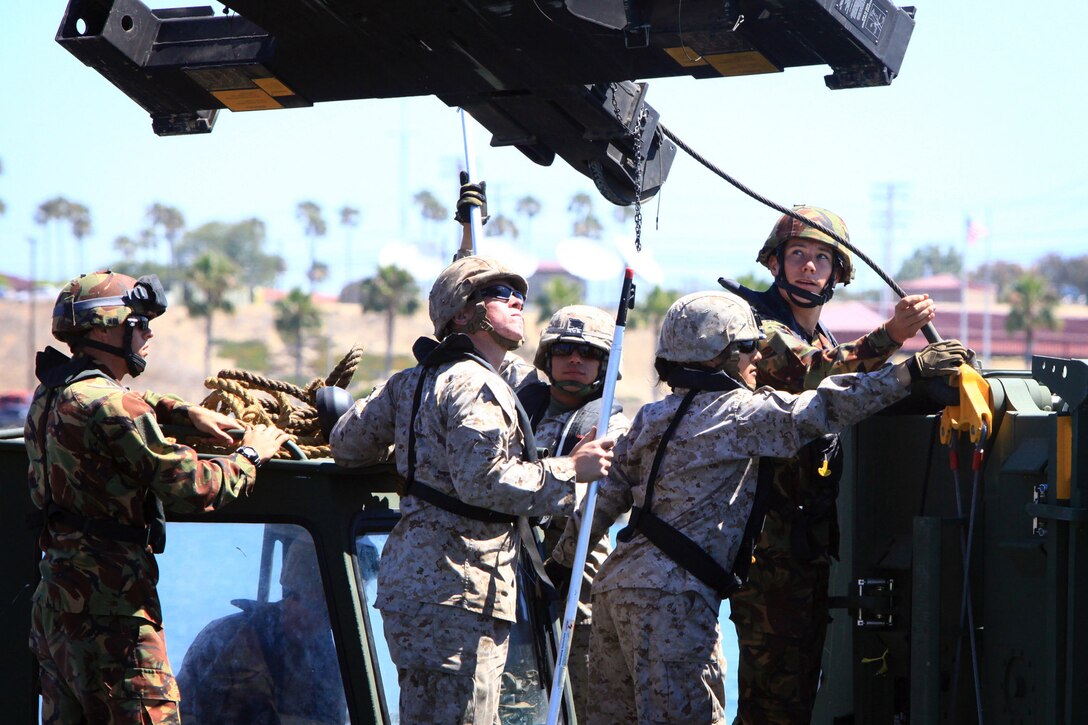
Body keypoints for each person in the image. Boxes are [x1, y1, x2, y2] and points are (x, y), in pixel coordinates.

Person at [549, 290, 968, 724]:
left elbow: (605, 497)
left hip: (615, 587)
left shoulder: (651, 416)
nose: (757, 358)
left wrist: (559, 567)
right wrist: (908, 373)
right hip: (675, 601)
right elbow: (825, 407)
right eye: (750, 347)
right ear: (722, 355)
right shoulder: (741, 414)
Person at [328, 256, 614, 724]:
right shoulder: (477, 385)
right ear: (464, 315)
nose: (517, 300)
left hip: (413, 583)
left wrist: (417, 458)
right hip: (461, 587)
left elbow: (346, 443)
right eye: (500, 294)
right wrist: (571, 469)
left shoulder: (411, 380)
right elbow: (486, 480)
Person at [25, 270, 289, 724]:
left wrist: (184, 412)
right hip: (115, 612)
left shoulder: (51, 396)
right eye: (140, 323)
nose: (148, 335)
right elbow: (195, 487)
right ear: (105, 328)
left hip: (57, 609)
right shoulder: (114, 407)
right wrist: (252, 454)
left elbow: (126, 402)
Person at [726, 206, 937, 725]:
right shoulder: (758, 332)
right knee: (772, 700)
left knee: (797, 693)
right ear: (774, 264)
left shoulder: (823, 340)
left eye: (822, 258)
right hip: (765, 547)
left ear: (837, 274)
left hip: (802, 546)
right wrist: (894, 337)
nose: (809, 267)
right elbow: (812, 375)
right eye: (797, 254)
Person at [516, 305, 630, 722]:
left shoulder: (610, 428)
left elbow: (592, 506)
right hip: (509, 571)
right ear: (548, 358)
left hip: (573, 574)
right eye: (564, 350)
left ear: (604, 364)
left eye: (588, 354)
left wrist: (559, 565)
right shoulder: (518, 405)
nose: (575, 360)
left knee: (579, 695)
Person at [177, 533, 347, 725]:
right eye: (322, 610)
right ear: (301, 596)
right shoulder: (226, 638)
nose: (326, 623)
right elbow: (187, 716)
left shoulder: (325, 655)